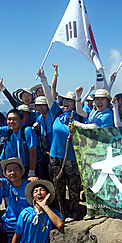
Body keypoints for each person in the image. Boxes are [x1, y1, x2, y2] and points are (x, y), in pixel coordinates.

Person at [37, 66, 87, 222]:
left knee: (73, 187)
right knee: (58, 186)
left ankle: (73, 212)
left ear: (74, 103)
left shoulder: (79, 118)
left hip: (72, 158)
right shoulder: (57, 113)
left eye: (69, 101)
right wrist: (43, 78)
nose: (66, 102)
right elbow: (48, 94)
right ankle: (61, 211)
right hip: (54, 157)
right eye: (64, 100)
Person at [0, 107, 40, 181]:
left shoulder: (27, 131)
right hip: (11, 168)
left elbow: (33, 153)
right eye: (9, 119)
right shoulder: (8, 130)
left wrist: (31, 173)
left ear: (22, 120)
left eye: (14, 119)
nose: (11, 121)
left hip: (26, 168)